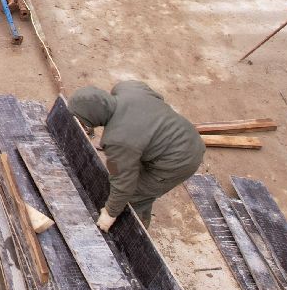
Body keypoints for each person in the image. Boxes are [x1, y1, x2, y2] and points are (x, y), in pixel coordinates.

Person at [69, 80, 205, 231]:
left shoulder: (116, 141)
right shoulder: (128, 87)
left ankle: (138, 231)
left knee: (134, 196)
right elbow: (158, 98)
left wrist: (109, 213)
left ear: (93, 117)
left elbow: (124, 184)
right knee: (134, 177)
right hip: (188, 134)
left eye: (84, 122)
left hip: (179, 162)